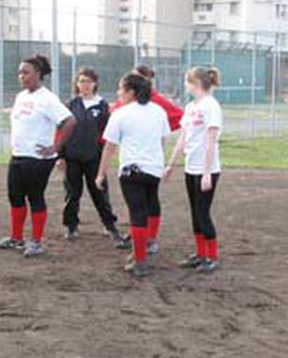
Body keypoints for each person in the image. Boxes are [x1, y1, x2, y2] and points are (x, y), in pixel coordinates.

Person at [0, 54, 77, 257]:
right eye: (20, 73)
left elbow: (69, 121)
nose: (22, 76)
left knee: (35, 198)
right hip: (19, 155)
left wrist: (56, 147)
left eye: (26, 72)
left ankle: (37, 242)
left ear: (38, 74)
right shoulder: (21, 96)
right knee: (15, 197)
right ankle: (16, 238)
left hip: (38, 158)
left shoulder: (47, 99)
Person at [96, 73, 170, 277]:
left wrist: (100, 174)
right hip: (153, 168)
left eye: (121, 89)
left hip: (131, 170)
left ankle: (139, 260)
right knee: (151, 203)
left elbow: (109, 147)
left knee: (137, 212)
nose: (119, 93)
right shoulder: (158, 111)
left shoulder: (121, 113)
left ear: (131, 92)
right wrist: (156, 160)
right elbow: (163, 140)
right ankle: (150, 242)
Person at [111, 64, 184, 254]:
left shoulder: (156, 102)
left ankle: (148, 240)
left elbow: (177, 117)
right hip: (134, 157)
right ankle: (139, 236)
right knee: (137, 203)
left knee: (146, 202)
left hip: (146, 160)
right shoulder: (126, 104)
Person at [164, 66, 224, 274]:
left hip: (206, 169)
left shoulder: (211, 105)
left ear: (196, 83)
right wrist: (171, 164)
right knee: (195, 212)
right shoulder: (191, 107)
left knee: (203, 212)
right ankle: (200, 254)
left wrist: (207, 173)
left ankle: (212, 256)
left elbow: (210, 141)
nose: (185, 85)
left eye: (187, 82)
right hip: (191, 167)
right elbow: (182, 138)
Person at [57, 67, 123, 246]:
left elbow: (108, 133)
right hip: (72, 157)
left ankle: (110, 225)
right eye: (81, 81)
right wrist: (60, 156)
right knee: (72, 193)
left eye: (88, 81)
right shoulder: (71, 104)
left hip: (94, 157)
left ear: (95, 83)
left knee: (100, 192)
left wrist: (105, 155)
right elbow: (62, 131)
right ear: (76, 84)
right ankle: (71, 225)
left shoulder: (102, 106)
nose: (85, 85)